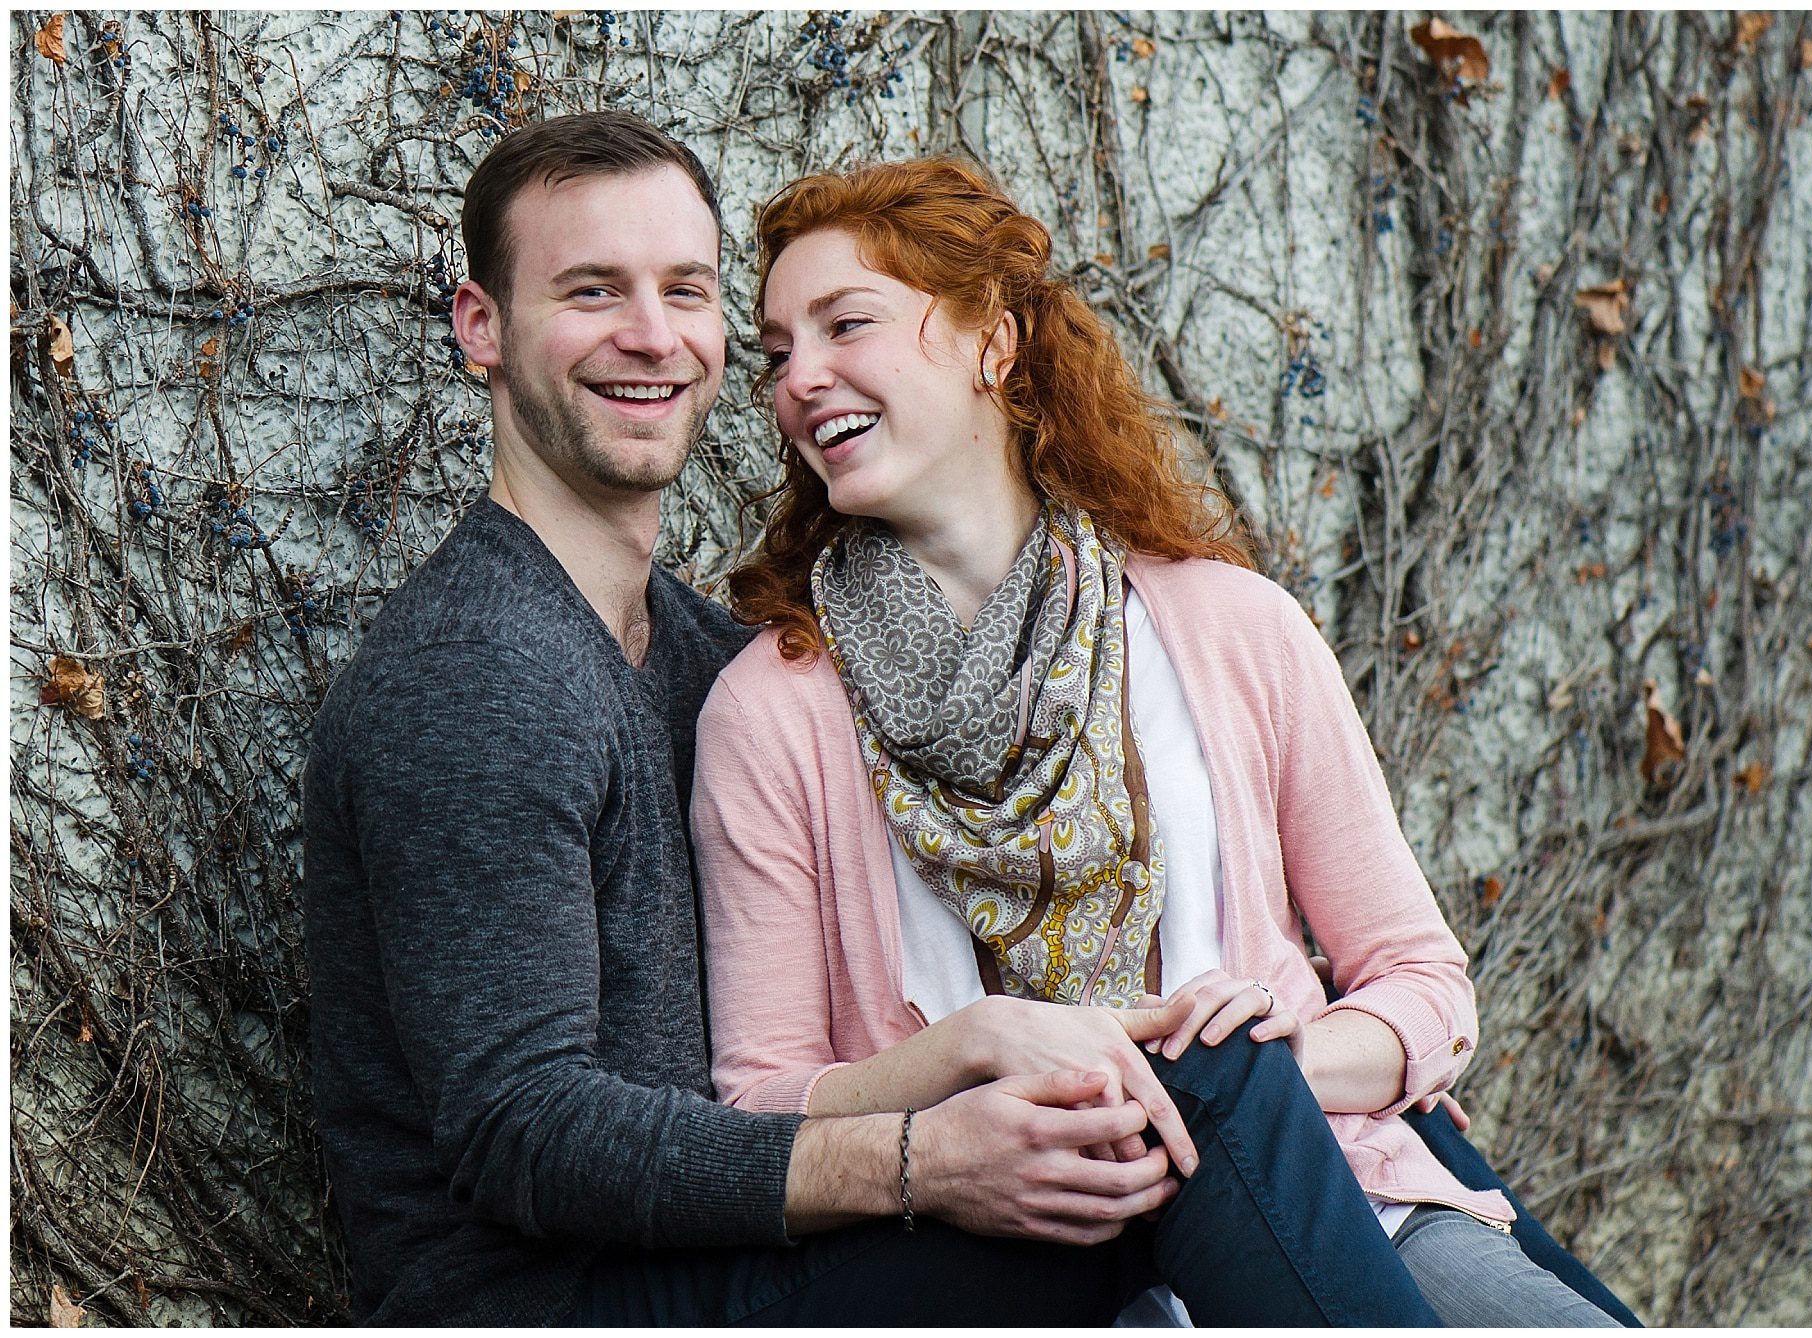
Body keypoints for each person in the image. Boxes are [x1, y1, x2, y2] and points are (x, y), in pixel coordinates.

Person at [299, 111, 1469, 1328]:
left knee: (1196, 1106)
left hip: (736, 1253)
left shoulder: (698, 651)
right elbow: (522, 1132)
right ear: (480, 326)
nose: (651, 335)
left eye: (685, 292)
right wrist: (925, 1156)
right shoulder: (475, 676)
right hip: (579, 1300)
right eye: (592, 291)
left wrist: (1328, 1058)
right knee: (1177, 1108)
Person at [694, 155, 1641, 1327]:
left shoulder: (1230, 628)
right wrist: (969, 1054)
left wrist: (1260, 1078)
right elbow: (758, 1109)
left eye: (847, 324)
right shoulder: (774, 713)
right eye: (777, 353)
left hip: (1336, 1192)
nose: (799, 379)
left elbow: (1422, 984)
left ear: (994, 342)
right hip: (1016, 1256)